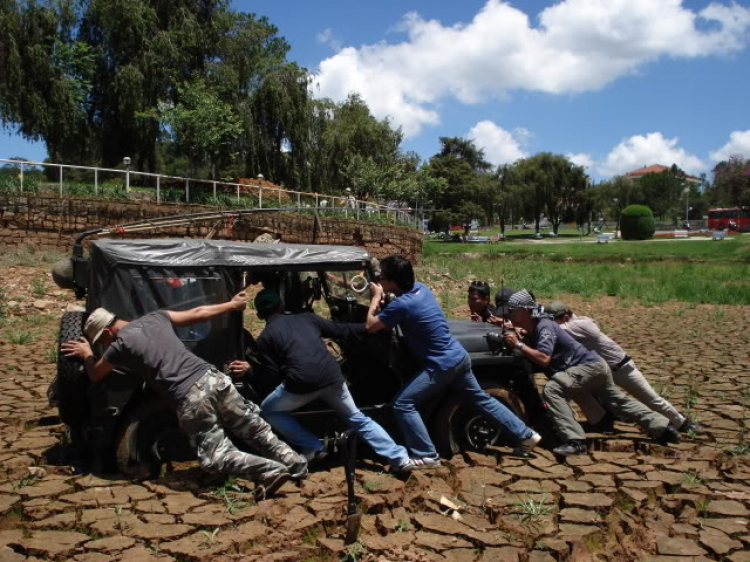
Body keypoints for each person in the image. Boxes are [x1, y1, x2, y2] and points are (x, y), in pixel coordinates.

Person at [61, 292, 306, 498]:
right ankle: (296, 464)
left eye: (99, 340)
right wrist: (232, 305)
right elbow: (199, 312)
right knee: (253, 428)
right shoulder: (156, 318)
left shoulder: (119, 347)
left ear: (106, 333)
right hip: (214, 379)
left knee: (215, 456)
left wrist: (86, 354)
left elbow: (95, 374)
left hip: (190, 396)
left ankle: (270, 471)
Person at [366, 255, 541, 466]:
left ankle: (426, 455)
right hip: (458, 356)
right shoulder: (420, 289)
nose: (380, 281)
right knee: (480, 398)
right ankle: (525, 434)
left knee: (403, 404)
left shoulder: (403, 304)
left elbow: (370, 326)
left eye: (383, 278)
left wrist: (376, 298)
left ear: (393, 281)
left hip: (441, 364)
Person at [502, 290, 681, 456]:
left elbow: (543, 359)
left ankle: (575, 441)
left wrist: (518, 344)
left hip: (588, 368)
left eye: (512, 311)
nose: (509, 315)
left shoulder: (544, 326)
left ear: (525, 310)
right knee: (618, 402)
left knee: (553, 390)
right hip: (595, 366)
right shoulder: (537, 326)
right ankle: (664, 427)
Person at [252, 290, 414, 472]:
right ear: (282, 306)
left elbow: (272, 374)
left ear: (259, 315)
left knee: (268, 410)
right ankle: (400, 458)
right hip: (332, 375)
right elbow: (340, 330)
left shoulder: (265, 338)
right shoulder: (307, 318)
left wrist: (251, 372)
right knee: (357, 418)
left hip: (302, 383)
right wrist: (368, 327)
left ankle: (312, 446)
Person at [545, 301, 701, 434]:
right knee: (604, 398)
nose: (552, 324)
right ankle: (608, 420)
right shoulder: (572, 324)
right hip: (603, 371)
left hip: (621, 369)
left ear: (565, 316)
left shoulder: (578, 325)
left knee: (651, 399)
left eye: (554, 320)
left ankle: (682, 423)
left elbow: (554, 330)